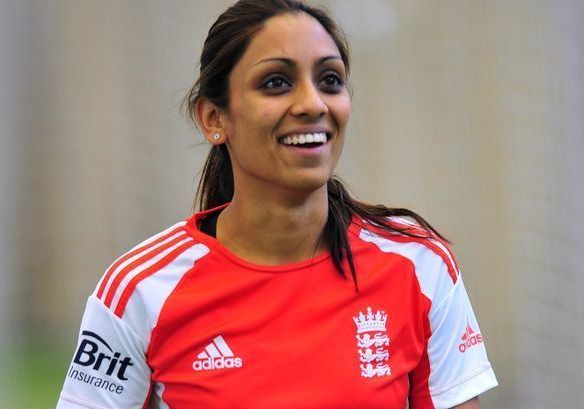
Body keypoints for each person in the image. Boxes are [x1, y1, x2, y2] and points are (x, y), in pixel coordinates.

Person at [56, 0, 498, 408]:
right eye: (276, 83)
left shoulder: (418, 263)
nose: (312, 104)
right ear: (214, 119)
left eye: (330, 80)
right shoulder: (139, 290)